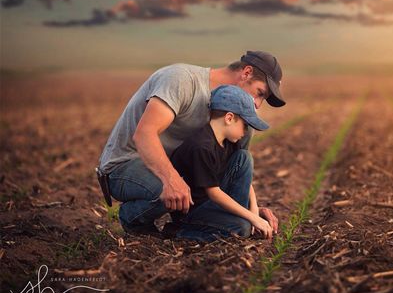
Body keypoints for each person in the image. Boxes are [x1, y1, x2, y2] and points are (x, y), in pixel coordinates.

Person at [96, 50, 285, 237]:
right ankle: (132, 218)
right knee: (172, 184)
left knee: (239, 164)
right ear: (246, 73)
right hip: (125, 165)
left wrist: (250, 211)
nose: (258, 104)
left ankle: (194, 221)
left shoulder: (239, 118)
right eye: (260, 93)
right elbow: (144, 134)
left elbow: (235, 167)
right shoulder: (182, 80)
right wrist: (171, 180)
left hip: (179, 170)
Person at [170, 85, 273, 242]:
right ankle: (180, 232)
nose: (245, 132)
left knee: (244, 157)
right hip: (194, 211)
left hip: (214, 204)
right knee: (242, 228)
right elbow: (214, 193)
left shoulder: (229, 141)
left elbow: (246, 182)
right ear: (229, 118)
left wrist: (253, 213)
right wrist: (253, 219)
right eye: (245, 125)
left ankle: (238, 217)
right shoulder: (201, 146)